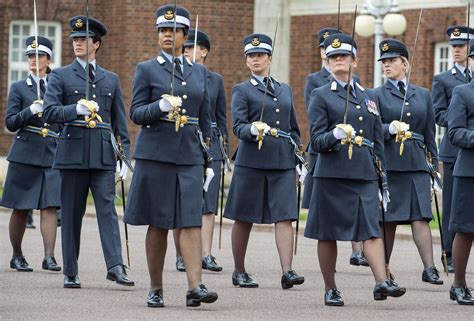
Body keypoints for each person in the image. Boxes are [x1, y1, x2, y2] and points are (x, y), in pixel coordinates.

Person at [123, 5, 218, 308]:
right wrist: (159, 108)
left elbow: (206, 121)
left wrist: (210, 160)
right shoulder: (147, 69)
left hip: (189, 154)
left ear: (184, 35)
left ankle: (196, 286)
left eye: (173, 30)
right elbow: (136, 113)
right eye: (162, 30)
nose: (166, 35)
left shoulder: (200, 72)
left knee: (190, 220)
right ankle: (155, 286)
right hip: (156, 154)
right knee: (159, 222)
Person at [305, 33, 406, 306]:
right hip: (332, 173)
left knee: (371, 230)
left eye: (344, 56)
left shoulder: (369, 96)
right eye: (333, 57)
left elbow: (376, 140)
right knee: (328, 233)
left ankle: (381, 281)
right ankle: (330, 287)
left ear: (355, 61)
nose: (338, 60)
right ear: (327, 62)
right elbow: (315, 141)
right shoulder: (321, 95)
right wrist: (335, 135)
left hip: (363, 173)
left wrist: (382, 176)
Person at [43, 16, 134, 289]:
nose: (77, 43)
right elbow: (49, 113)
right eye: (75, 39)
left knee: (108, 212)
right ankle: (70, 270)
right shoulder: (60, 75)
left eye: (83, 39)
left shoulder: (111, 78)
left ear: (97, 44)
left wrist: (125, 156)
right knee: (71, 214)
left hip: (103, 156)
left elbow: (119, 121)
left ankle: (116, 266)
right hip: (72, 155)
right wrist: (74, 110)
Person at [224, 33, 305, 289]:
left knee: (285, 215)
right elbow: (237, 126)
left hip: (282, 159)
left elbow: (293, 127)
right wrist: (252, 130)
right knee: (244, 216)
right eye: (251, 56)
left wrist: (298, 155)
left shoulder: (284, 89)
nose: (255, 59)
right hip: (252, 159)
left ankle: (287, 271)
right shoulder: (242, 89)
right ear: (247, 61)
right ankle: (239, 270)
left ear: (269, 58)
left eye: (260, 55)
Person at [372, 38, 442, 286]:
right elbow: (370, 130)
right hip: (390, 164)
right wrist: (388, 128)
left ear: (405, 64)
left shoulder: (423, 94)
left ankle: (430, 268)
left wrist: (433, 167)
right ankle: (385, 270)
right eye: (384, 62)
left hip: (417, 163)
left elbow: (429, 133)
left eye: (392, 61)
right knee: (387, 220)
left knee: (421, 216)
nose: (387, 65)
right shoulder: (376, 95)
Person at [303, 28, 367, 267]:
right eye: (327, 49)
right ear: (324, 53)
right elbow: (315, 116)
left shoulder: (356, 82)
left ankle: (357, 249)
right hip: (328, 143)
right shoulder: (315, 81)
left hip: (353, 148)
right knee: (328, 205)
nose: (337, 58)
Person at [2, 36, 61, 272]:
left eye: (38, 56)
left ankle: (49, 257)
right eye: (30, 56)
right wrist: (30, 110)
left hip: (51, 153)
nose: (33, 60)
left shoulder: (57, 86)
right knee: (21, 207)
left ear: (48, 59)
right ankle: (17, 255)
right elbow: (10, 123)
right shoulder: (18, 88)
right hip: (25, 153)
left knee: (49, 206)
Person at [173, 28, 228, 273]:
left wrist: (223, 146)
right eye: (184, 48)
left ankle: (205, 253)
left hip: (210, 142)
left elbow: (220, 115)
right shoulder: (174, 74)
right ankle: (182, 255)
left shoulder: (214, 79)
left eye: (191, 48)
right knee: (182, 199)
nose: (186, 52)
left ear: (204, 52)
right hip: (183, 141)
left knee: (208, 202)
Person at [432, 25, 474, 273]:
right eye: (454, 46)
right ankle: (449, 252)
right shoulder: (444, 79)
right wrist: (461, 113)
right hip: (453, 148)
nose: (456, 50)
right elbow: (439, 114)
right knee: (453, 206)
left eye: (461, 46)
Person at [446, 40, 474, 305]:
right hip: (470, 172)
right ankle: (459, 284)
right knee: (466, 229)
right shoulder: (463, 93)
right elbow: (454, 132)